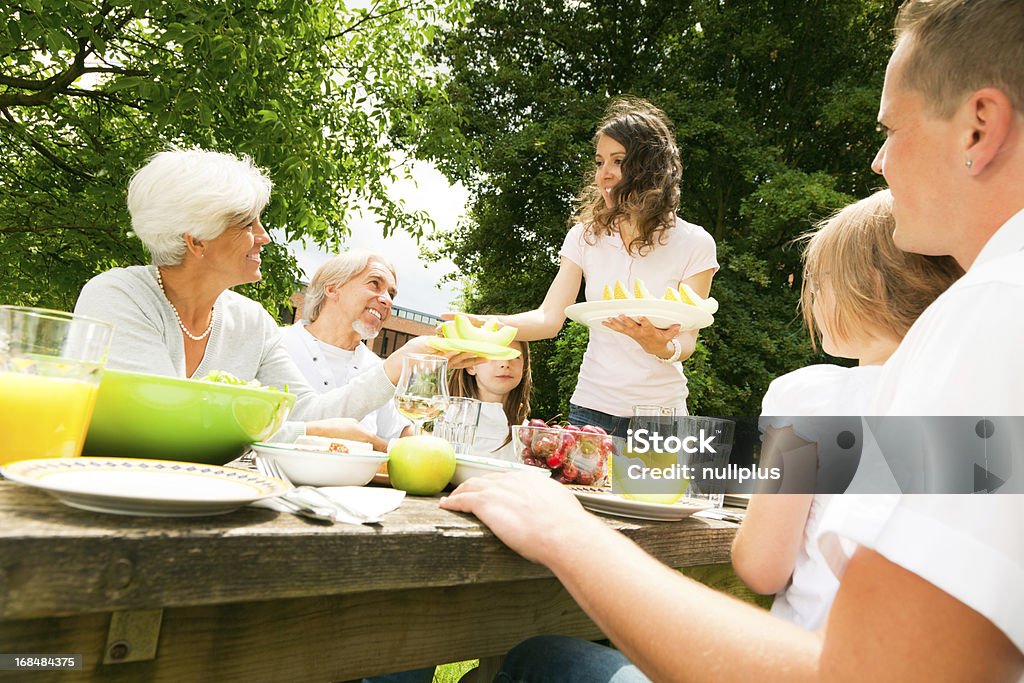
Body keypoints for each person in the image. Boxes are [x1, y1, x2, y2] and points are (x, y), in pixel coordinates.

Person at [439, 1, 1024, 679]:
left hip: (660, 419)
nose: (878, 160)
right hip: (600, 410)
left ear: (978, 128)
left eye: (891, 128)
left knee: (533, 658)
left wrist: (567, 532)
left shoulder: (990, 313)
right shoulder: (958, 333)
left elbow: (821, 630)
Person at [75, 148, 480, 443]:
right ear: (197, 240)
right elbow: (162, 421)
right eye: (246, 224)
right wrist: (304, 433)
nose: (263, 237)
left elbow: (307, 409)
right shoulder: (119, 296)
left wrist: (399, 365)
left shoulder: (252, 321)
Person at [731, 189, 962, 630]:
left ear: (869, 286)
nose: (812, 301)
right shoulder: (967, 402)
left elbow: (761, 569)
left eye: (818, 284)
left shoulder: (811, 400)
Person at [452, 97, 718, 437]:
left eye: (618, 161)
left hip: (660, 418)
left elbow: (687, 340)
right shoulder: (584, 236)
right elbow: (548, 319)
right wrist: (484, 325)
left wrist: (660, 347)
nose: (603, 173)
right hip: (591, 411)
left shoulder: (695, 243)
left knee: (654, 494)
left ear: (649, 168)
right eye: (599, 161)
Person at [280, 250, 414, 452]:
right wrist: (375, 444)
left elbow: (404, 436)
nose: (387, 300)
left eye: (391, 294)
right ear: (333, 288)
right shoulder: (276, 345)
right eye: (374, 284)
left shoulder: (379, 369)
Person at [446, 341, 531, 461]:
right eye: (494, 355)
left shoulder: (530, 434)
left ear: (524, 367)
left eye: (515, 356)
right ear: (470, 366)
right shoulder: (448, 420)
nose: (505, 363)